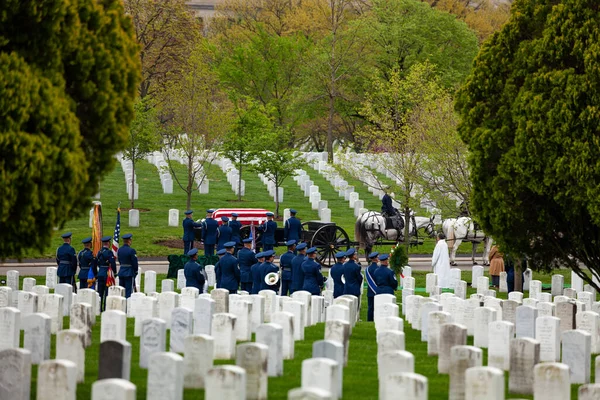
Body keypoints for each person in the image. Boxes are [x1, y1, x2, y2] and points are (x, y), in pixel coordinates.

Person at [96, 235, 117, 310]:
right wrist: (114, 273)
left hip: (100, 272)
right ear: (108, 243)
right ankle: (105, 308)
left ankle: (99, 308)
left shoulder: (99, 252)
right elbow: (113, 263)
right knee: (106, 292)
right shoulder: (109, 252)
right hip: (107, 274)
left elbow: (97, 262)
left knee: (100, 292)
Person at [117, 233, 138, 299]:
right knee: (128, 292)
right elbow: (134, 263)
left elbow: (120, 260)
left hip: (122, 271)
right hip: (129, 272)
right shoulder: (131, 251)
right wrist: (135, 271)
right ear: (129, 241)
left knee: (121, 291)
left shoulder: (120, 250)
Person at [365, 251, 380, 321]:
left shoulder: (368, 269)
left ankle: (369, 320)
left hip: (370, 291)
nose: (378, 258)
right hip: (377, 290)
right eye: (377, 257)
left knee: (370, 307)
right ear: (375, 258)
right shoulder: (378, 268)